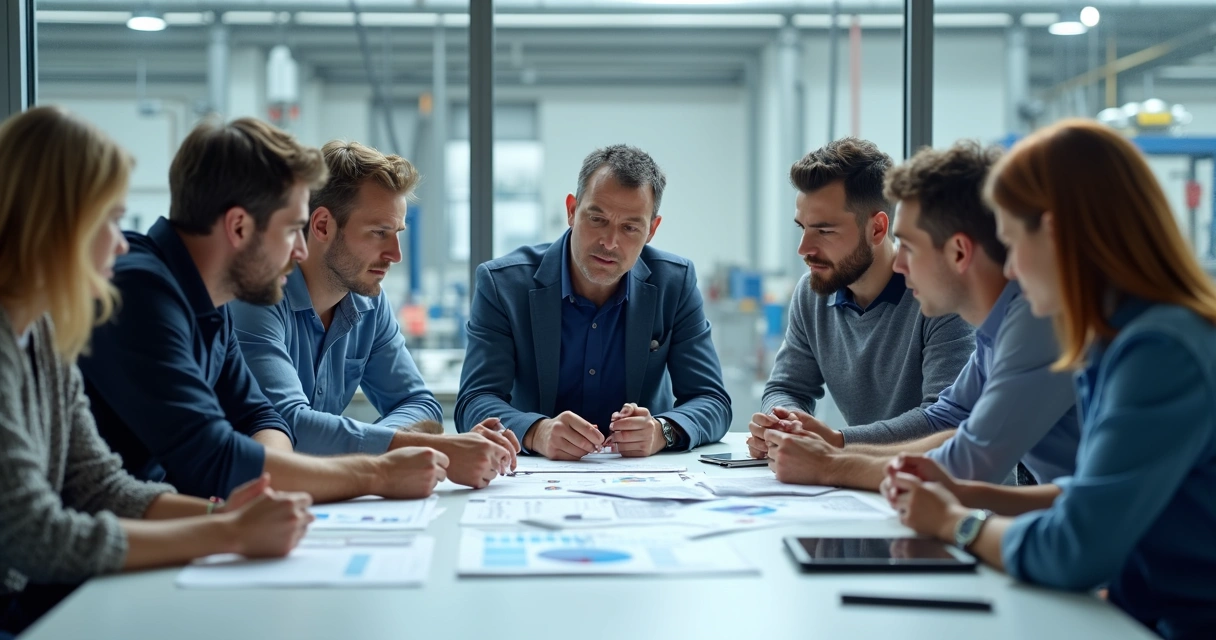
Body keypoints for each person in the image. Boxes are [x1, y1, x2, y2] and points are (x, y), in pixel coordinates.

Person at [886, 120, 1216, 639]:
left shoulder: (1160, 352)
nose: (1011, 270)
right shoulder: (1114, 338)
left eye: (1014, 243)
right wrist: (963, 492)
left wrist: (955, 523)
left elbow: (1074, 549)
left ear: (1058, 234)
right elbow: (1088, 493)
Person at [0, 106, 313, 637]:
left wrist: (228, 520)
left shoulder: (46, 338)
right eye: (108, 220)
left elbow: (102, 486)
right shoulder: (123, 297)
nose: (121, 243)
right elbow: (33, 534)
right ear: (55, 225)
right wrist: (229, 533)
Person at [79, 117, 451, 502]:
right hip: (116, 535)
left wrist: (276, 484)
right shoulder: (139, 290)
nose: (300, 251)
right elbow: (214, 456)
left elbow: (260, 419)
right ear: (239, 228)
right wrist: (378, 472)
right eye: (292, 229)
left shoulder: (211, 298)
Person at [755, 141, 1081, 490]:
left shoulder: (1039, 321)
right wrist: (831, 444)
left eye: (908, 246)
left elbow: (972, 457)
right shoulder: (1001, 326)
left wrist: (831, 464)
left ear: (958, 251)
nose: (898, 262)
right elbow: (950, 418)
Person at [231, 140, 517, 487]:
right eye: (378, 233)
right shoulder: (257, 297)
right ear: (321, 226)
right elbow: (287, 425)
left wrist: (398, 450)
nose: (395, 254)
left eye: (396, 233)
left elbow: (419, 403)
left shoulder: (368, 300)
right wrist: (425, 448)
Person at [456, 144, 731, 460]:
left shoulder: (675, 283)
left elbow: (712, 400)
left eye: (630, 227)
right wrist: (535, 432)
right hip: (536, 477)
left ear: (652, 230)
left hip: (644, 482)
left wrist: (662, 431)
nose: (610, 242)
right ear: (572, 210)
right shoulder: (502, 284)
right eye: (597, 219)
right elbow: (474, 402)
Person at [750, 138, 974, 451]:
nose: (804, 250)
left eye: (825, 231)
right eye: (802, 228)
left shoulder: (940, 297)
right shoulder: (812, 292)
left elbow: (947, 419)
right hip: (873, 483)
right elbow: (787, 387)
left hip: (951, 489)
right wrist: (786, 424)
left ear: (877, 230)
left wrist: (837, 444)